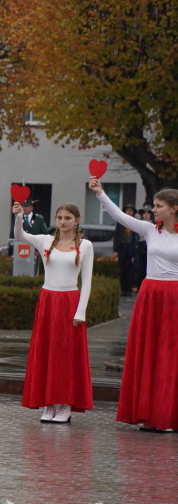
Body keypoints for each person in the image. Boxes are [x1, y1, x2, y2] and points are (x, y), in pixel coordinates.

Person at [89, 178, 178, 432]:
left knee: (170, 356)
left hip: (174, 296)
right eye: (154, 205)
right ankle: (149, 414)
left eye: (159, 206)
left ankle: (168, 416)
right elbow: (120, 217)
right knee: (149, 353)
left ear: (174, 208)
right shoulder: (150, 230)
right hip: (150, 295)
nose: (153, 210)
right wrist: (101, 194)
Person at [12, 201, 94, 424]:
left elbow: (87, 281)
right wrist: (18, 217)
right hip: (47, 301)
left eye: (68, 218)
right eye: (59, 218)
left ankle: (66, 405)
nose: (63, 222)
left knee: (66, 356)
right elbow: (20, 235)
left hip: (70, 302)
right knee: (46, 353)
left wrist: (81, 312)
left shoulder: (85, 245)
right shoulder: (45, 240)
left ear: (76, 221)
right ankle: (48, 405)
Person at [113, 203, 139, 296]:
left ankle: (129, 289)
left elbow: (137, 237)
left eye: (131, 210)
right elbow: (116, 236)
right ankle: (123, 289)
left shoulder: (136, 222)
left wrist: (135, 252)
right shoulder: (120, 223)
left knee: (130, 269)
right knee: (122, 269)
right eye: (127, 210)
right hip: (122, 248)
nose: (129, 212)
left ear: (133, 212)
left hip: (131, 248)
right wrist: (116, 249)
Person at [136, 208, 152, 287]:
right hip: (141, 245)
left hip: (150, 246)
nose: (146, 215)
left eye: (148, 213)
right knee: (140, 268)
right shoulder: (139, 223)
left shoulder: (154, 224)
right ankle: (139, 286)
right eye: (144, 213)